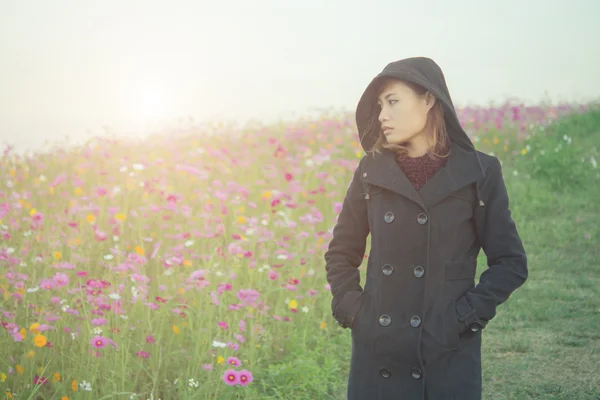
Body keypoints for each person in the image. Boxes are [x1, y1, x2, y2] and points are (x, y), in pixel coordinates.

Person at [324, 57, 528, 400]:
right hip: (378, 351)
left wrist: (463, 318)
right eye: (379, 106)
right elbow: (342, 250)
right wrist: (353, 310)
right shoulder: (371, 170)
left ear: (429, 99)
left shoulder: (479, 172)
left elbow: (510, 263)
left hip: (446, 351)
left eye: (393, 102)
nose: (382, 115)